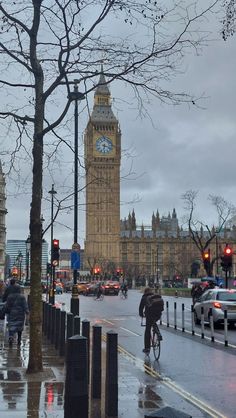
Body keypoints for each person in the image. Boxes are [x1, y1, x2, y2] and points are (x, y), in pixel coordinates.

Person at [139, 287, 164, 354]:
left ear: (145, 292)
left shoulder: (144, 298)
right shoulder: (155, 296)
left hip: (149, 315)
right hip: (158, 314)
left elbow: (141, 308)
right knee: (154, 322)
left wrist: (141, 315)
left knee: (148, 329)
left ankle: (147, 348)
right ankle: (158, 333)